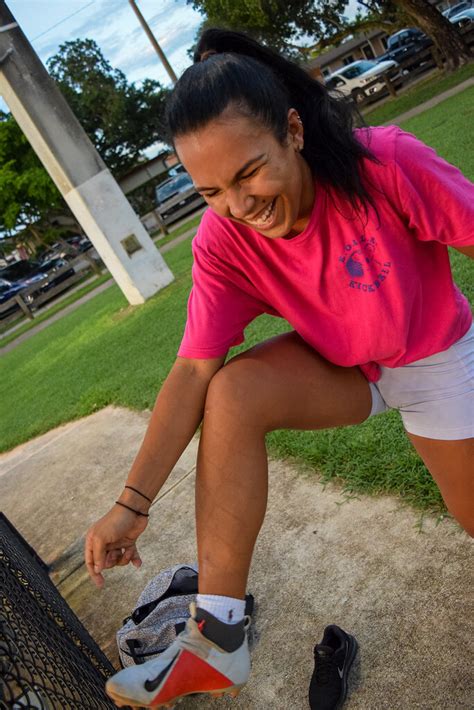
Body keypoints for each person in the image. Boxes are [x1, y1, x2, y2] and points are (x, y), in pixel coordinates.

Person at [85, 28, 474, 709]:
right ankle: (217, 640)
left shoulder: (380, 162)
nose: (238, 206)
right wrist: (129, 504)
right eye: (211, 192)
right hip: (346, 369)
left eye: (248, 173)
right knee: (231, 390)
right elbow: (191, 371)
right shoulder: (225, 242)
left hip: (437, 357)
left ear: (293, 130)